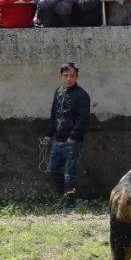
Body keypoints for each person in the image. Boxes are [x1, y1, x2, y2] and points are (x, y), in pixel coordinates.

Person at [45, 62, 91, 200]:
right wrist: (48, 134)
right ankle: (62, 197)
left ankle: (69, 202)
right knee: (52, 170)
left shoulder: (82, 95)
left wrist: (74, 136)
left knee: (69, 173)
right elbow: (54, 114)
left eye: (72, 76)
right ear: (61, 76)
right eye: (66, 76)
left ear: (76, 77)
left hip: (72, 141)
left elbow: (83, 119)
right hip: (57, 139)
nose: (69, 79)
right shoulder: (58, 92)